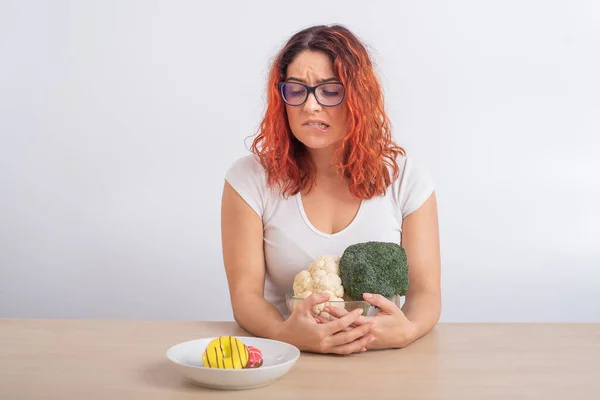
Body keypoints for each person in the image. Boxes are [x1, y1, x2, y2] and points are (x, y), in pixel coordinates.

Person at [221, 24, 441, 354]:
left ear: (358, 97)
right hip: (288, 359)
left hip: (382, 362)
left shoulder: (406, 179)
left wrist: (406, 331)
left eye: (330, 90)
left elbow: (427, 294)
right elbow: (245, 297)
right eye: (296, 90)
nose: (310, 106)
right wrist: (285, 335)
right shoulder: (248, 179)